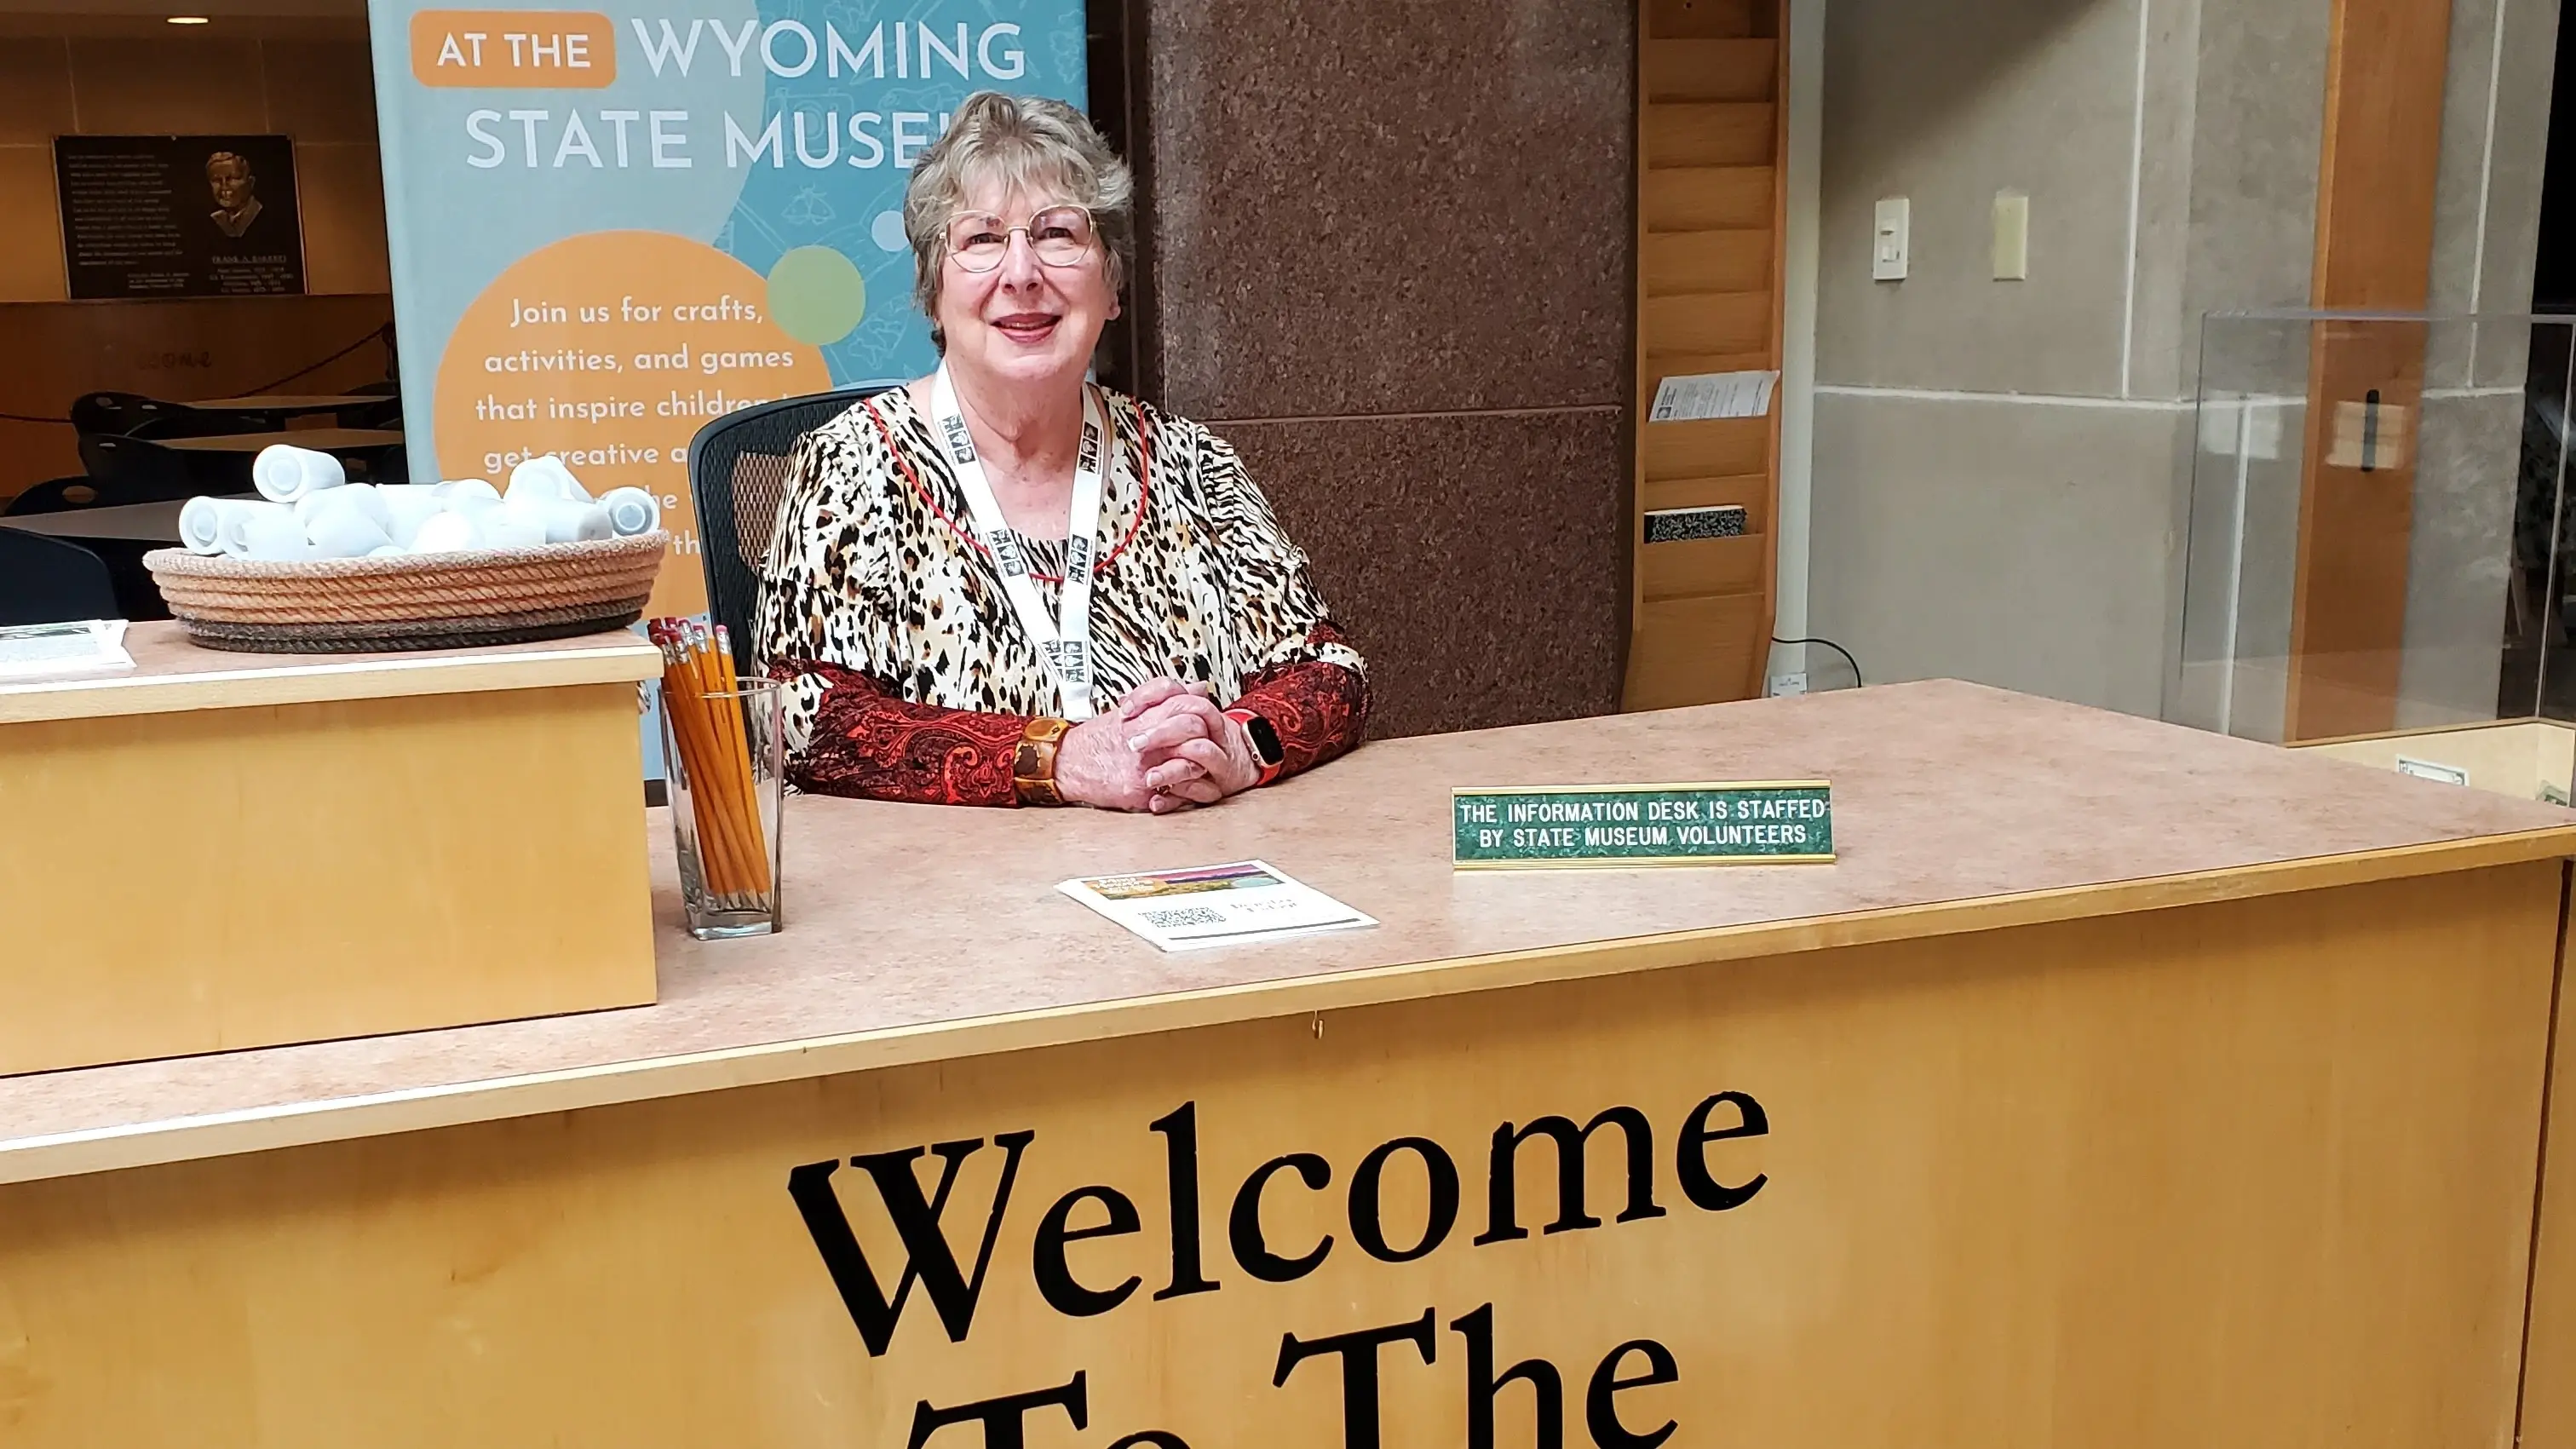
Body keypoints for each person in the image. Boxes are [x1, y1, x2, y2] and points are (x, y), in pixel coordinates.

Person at [757, 93, 1367, 812]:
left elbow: (1330, 669)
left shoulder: (1193, 464)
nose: (1021, 273)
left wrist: (1238, 744)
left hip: (1192, 880)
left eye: (1056, 234)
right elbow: (807, 719)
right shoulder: (850, 468)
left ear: (1111, 286)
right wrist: (1058, 757)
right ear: (933, 289)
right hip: (954, 905)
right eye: (982, 239)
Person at [204, 152, 266, 240]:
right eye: (216, 180)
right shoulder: (215, 219)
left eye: (233, 178)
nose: (224, 186)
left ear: (250, 182)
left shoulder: (266, 217)